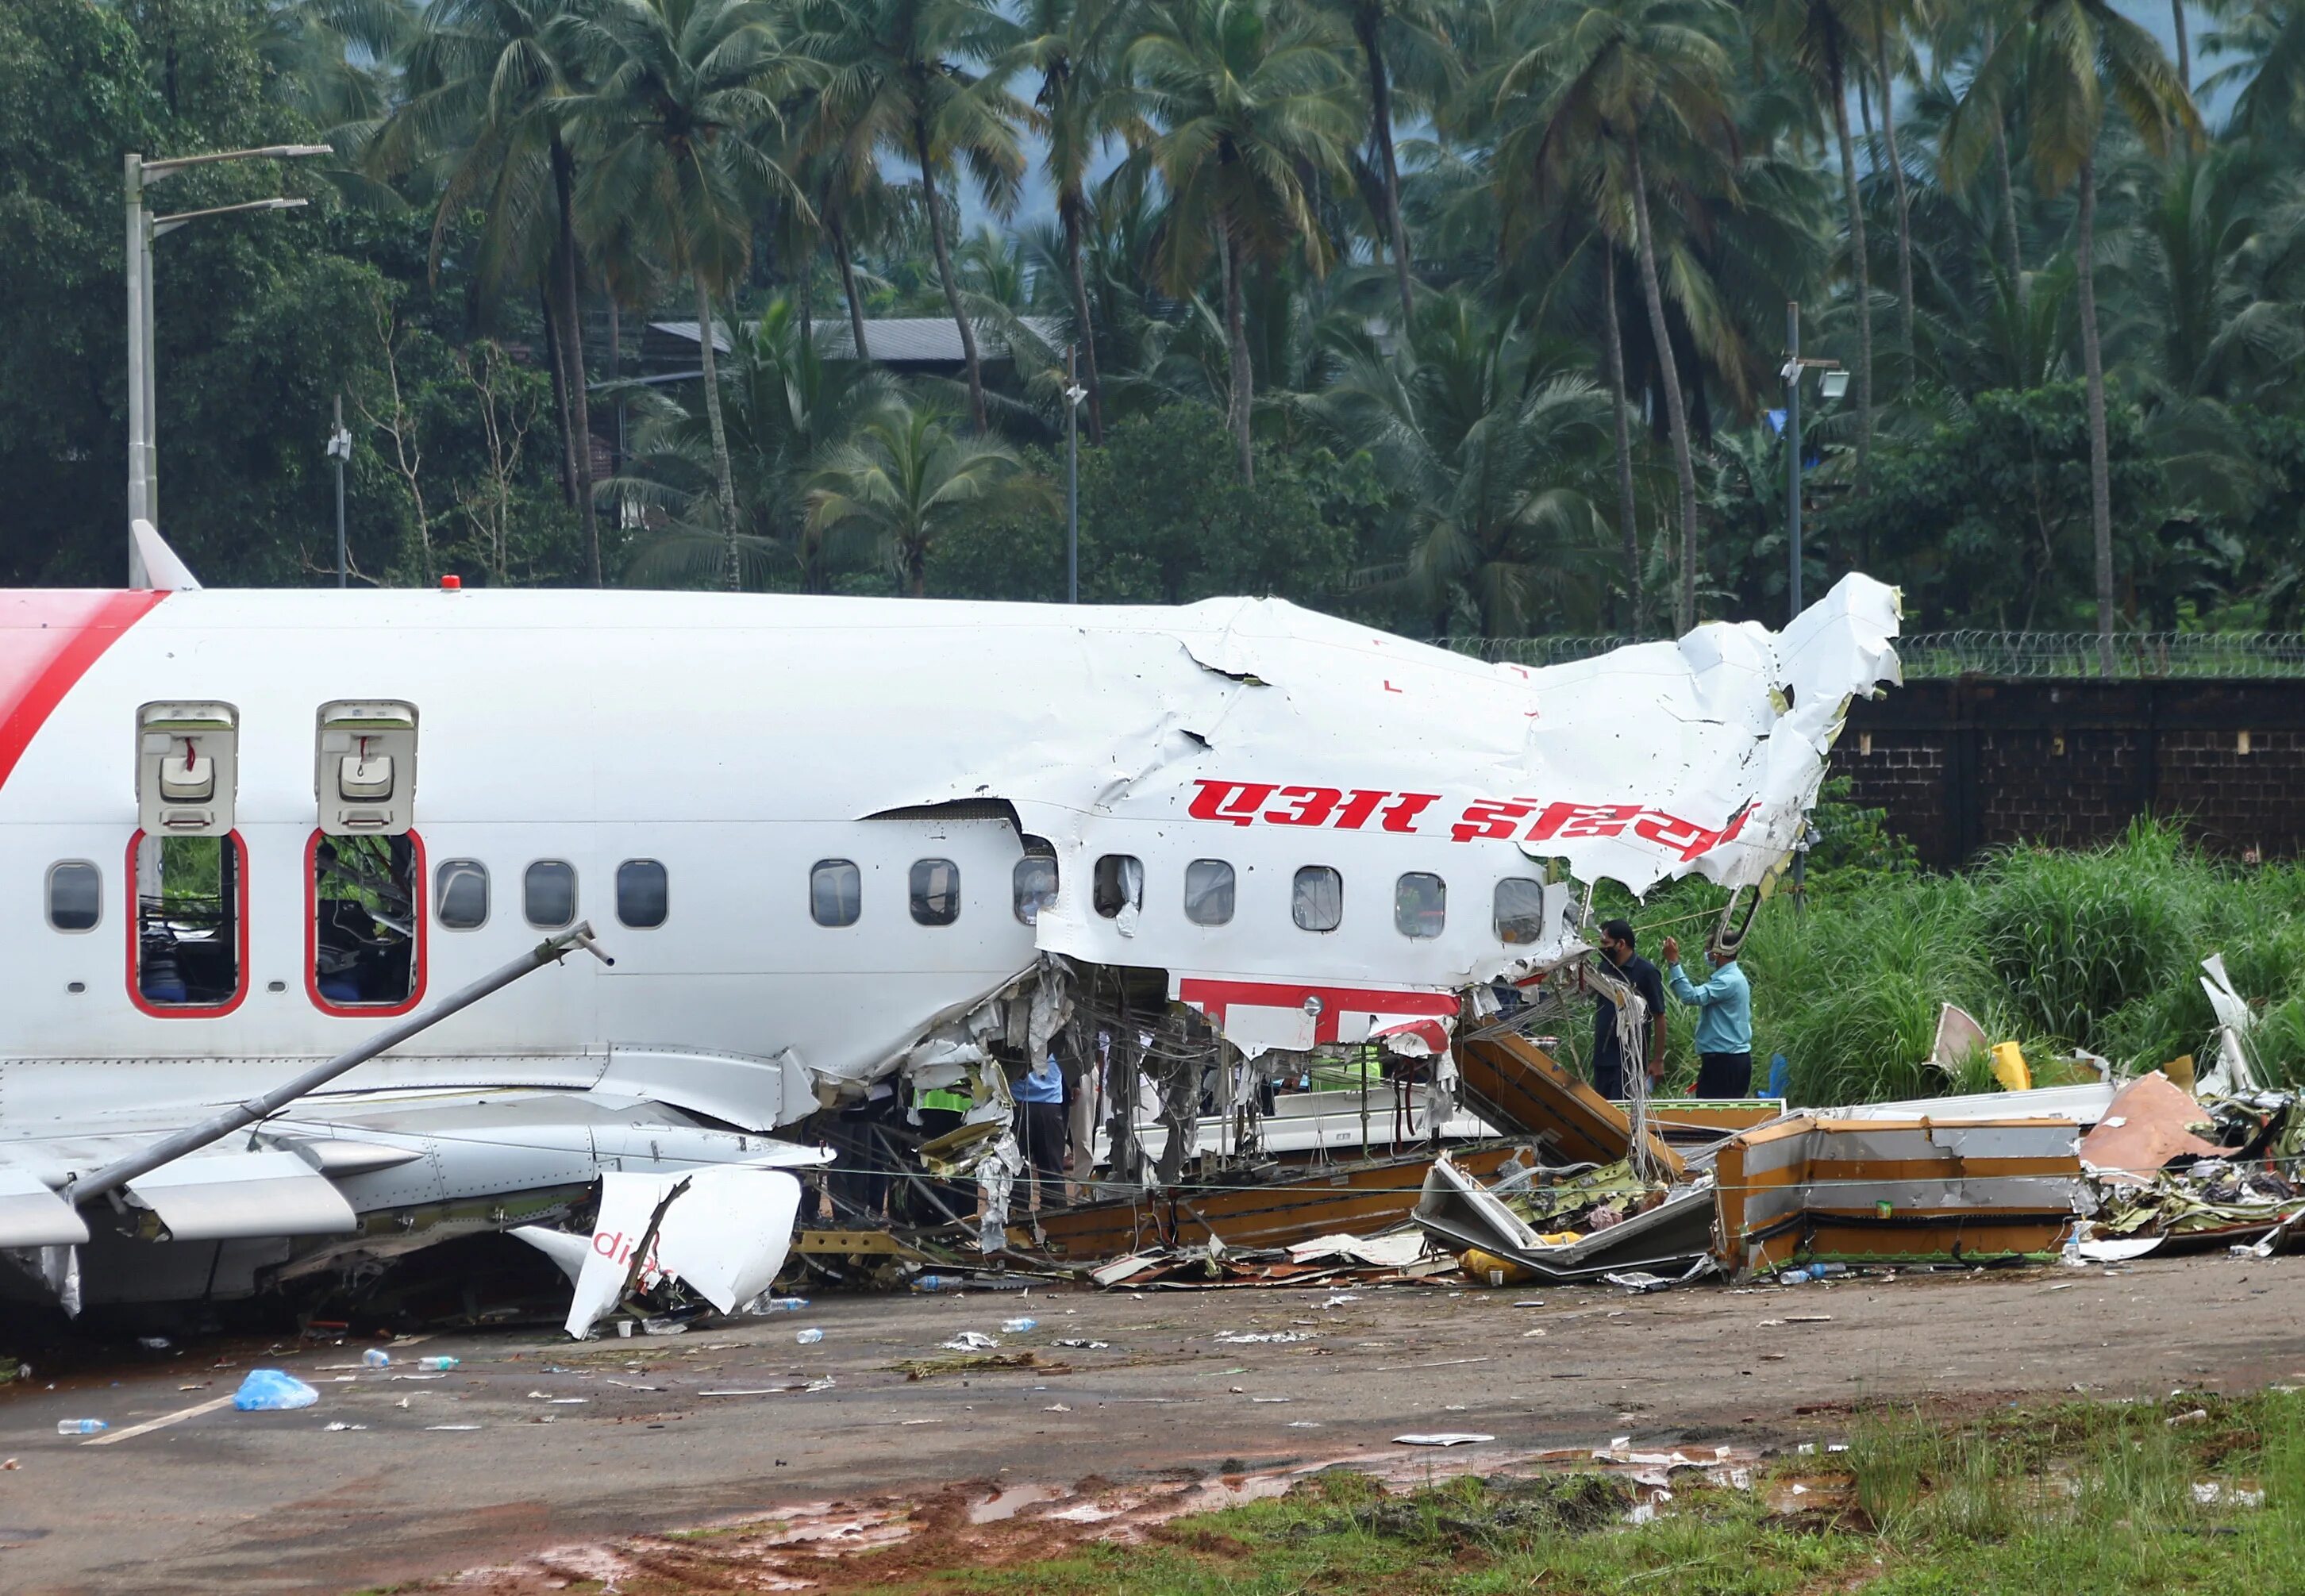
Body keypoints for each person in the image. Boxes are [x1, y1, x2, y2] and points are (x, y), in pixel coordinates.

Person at [1660, 934, 1753, 1098]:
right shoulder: (1734, 978)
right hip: (1727, 1061)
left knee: (1716, 1115)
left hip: (1725, 1063)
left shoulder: (1728, 981)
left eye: (1707, 949)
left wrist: (1673, 962)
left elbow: (1691, 997)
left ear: (1717, 952)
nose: (1706, 953)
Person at [1589, 918, 1667, 1101]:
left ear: (1621, 944)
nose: (1603, 948)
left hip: (1628, 1060)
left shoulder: (1646, 972)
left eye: (1606, 943)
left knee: (1621, 1114)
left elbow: (1659, 1016)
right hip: (1602, 1058)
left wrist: (1657, 1060)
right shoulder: (1605, 968)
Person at [1014, 1048, 1068, 1209]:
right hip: (1049, 1104)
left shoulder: (1013, 1023)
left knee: (1017, 1170)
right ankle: (1055, 1223)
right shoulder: (1056, 1024)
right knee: (1052, 1172)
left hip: (1018, 1103)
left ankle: (1018, 1224)